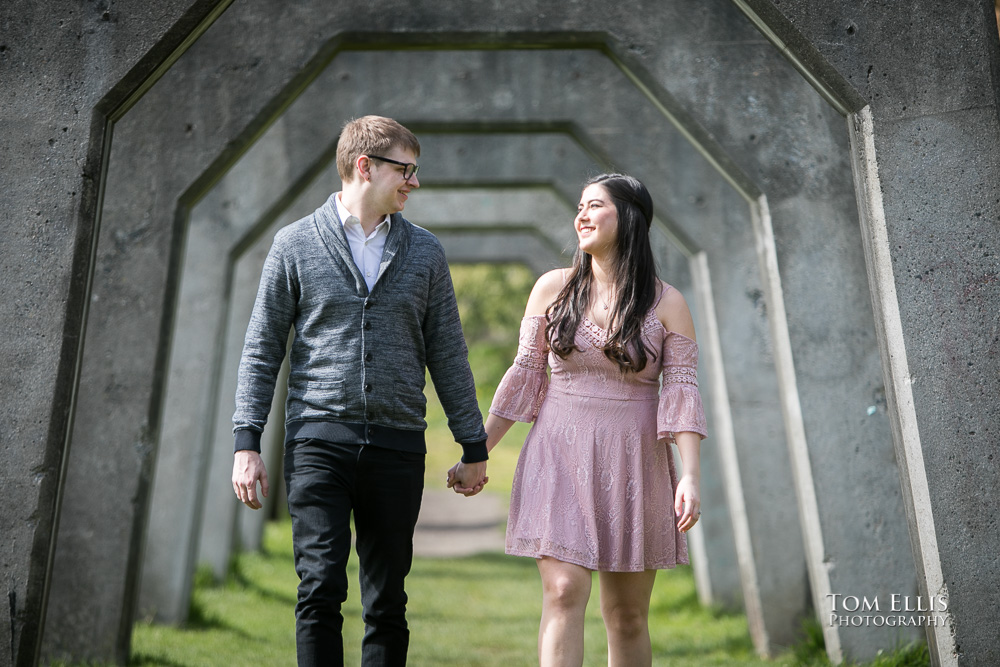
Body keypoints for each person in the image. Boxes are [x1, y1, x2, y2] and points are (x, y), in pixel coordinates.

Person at [231, 115, 489, 666]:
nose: (414, 183)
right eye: (406, 170)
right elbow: (261, 349)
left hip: (397, 445)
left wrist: (473, 445)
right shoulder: (294, 244)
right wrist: (246, 443)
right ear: (364, 166)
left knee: (387, 601)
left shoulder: (425, 253)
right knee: (320, 586)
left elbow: (448, 353)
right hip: (318, 441)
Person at [450, 173, 707, 666]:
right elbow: (524, 378)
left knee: (627, 616)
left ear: (628, 217)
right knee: (564, 590)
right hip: (560, 455)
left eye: (594, 206)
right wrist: (476, 453)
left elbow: (682, 393)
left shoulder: (667, 303)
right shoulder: (552, 288)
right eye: (579, 207)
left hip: (635, 463)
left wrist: (690, 475)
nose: (581, 216)